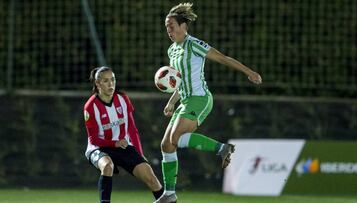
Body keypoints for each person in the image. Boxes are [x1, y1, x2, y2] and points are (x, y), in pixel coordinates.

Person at [155, 3, 262, 203]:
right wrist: (171, 101)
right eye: (166, 26)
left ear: (183, 26)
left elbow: (222, 58)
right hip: (185, 101)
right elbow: (178, 82)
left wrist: (249, 72)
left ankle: (222, 148)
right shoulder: (172, 51)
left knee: (176, 138)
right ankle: (169, 194)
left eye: (172, 26)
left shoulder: (193, 44)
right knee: (166, 145)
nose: (168, 30)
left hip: (200, 99)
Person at [83, 66, 164, 203]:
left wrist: (139, 153)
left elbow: (132, 129)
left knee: (150, 176)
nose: (111, 84)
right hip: (99, 148)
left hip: (123, 145)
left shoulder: (123, 99)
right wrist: (114, 143)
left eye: (113, 80)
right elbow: (94, 139)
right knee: (108, 166)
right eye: (106, 81)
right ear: (97, 83)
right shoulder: (90, 106)